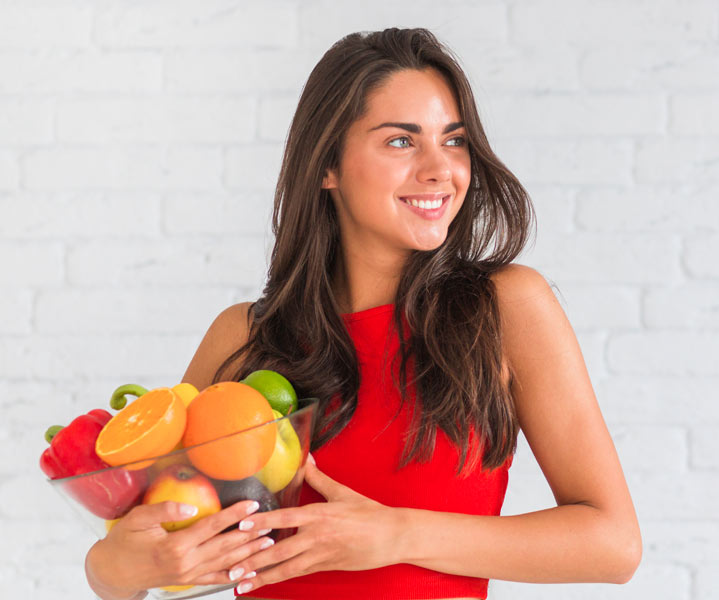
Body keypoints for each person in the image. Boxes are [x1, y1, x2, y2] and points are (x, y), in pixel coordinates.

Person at [83, 27, 641, 600]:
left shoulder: (504, 309)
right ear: (327, 165)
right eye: (401, 141)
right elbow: (143, 553)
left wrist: (396, 533)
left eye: (454, 141)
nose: (439, 169)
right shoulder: (244, 338)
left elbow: (613, 543)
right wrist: (116, 567)